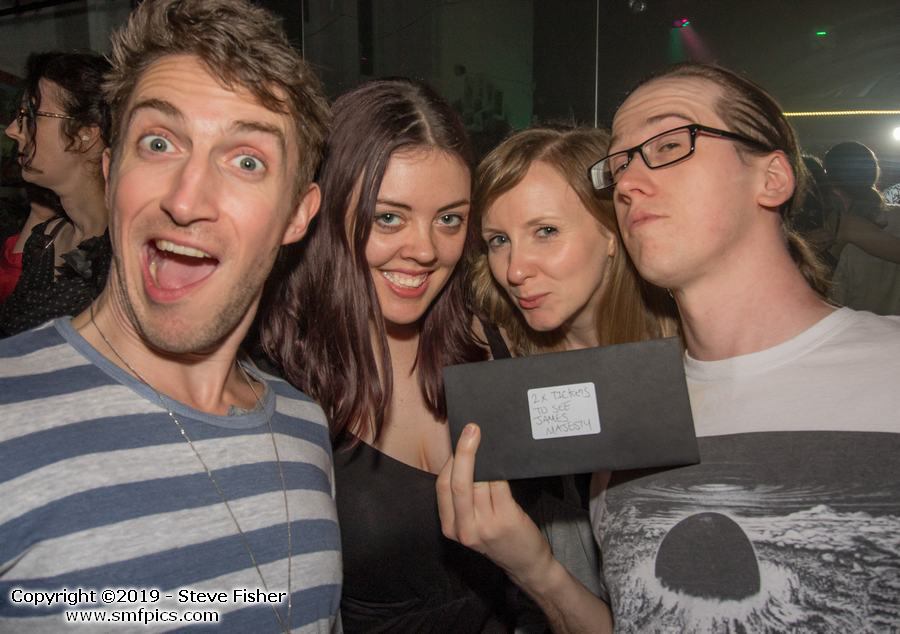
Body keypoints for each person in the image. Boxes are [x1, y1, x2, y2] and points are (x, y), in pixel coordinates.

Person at [439, 62, 900, 632]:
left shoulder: (886, 371)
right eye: (620, 164)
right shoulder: (630, 429)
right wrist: (537, 570)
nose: (627, 181)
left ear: (772, 177)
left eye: (670, 144)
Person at [0, 0, 340, 632]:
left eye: (247, 161)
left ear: (298, 214)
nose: (187, 200)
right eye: (158, 143)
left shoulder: (305, 432)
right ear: (110, 171)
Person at [259, 77, 525, 631]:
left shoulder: (490, 337)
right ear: (326, 210)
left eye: (449, 219)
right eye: (388, 217)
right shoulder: (272, 375)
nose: (425, 250)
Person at [0, 51, 112, 337]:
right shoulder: (46, 239)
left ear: (85, 135)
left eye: (31, 115)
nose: (13, 130)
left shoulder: (122, 254)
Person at [824, 142, 900, 315]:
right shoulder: (895, 217)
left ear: (829, 176)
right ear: (874, 172)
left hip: (852, 327)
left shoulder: (835, 228)